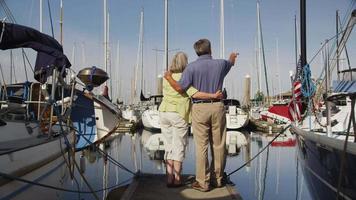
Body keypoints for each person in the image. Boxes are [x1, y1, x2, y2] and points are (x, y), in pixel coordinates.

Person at [164, 39, 238, 192]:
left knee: (201, 146)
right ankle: (217, 179)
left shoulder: (190, 68)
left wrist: (169, 77)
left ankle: (202, 182)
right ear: (210, 49)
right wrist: (232, 57)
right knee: (218, 145)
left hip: (199, 108)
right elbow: (231, 63)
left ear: (196, 51)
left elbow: (179, 88)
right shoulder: (221, 64)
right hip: (217, 107)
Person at [159, 51, 223, 188]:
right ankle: (177, 179)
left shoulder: (166, 77)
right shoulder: (184, 77)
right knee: (179, 146)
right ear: (185, 63)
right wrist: (214, 95)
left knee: (168, 146)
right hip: (179, 114)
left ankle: (169, 178)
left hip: (164, 112)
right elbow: (196, 93)